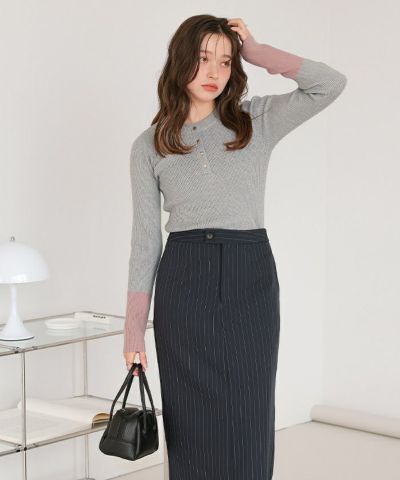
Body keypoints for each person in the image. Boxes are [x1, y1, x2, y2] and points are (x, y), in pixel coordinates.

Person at [123, 14, 347, 480]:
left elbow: (329, 84)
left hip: (249, 274)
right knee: (190, 421)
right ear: (180, 60)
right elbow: (145, 241)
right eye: (204, 58)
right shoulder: (150, 146)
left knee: (249, 412)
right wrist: (133, 331)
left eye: (225, 61)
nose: (214, 72)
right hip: (185, 278)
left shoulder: (255, 120)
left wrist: (257, 51)